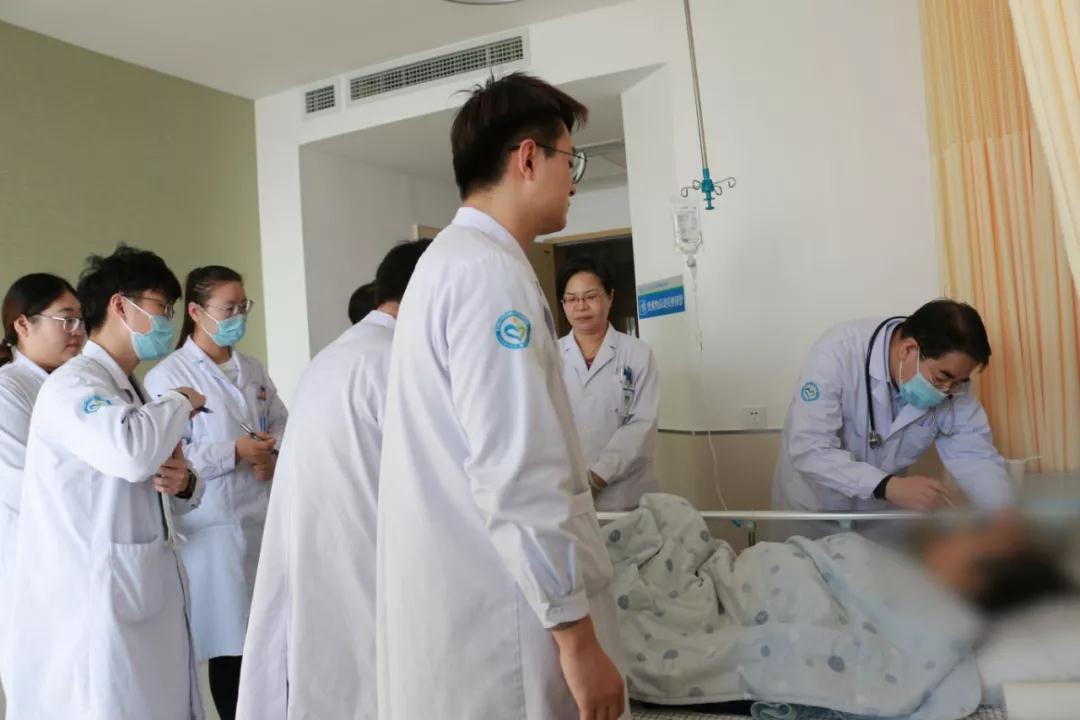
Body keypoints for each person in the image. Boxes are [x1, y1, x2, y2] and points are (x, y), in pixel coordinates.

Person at [377, 73, 628, 720]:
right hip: (508, 621)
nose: (574, 181)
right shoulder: (488, 275)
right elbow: (517, 474)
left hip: (477, 609)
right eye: (571, 160)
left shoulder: (450, 262)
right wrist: (578, 642)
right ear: (528, 158)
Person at [6, 246, 208, 720]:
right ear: (121, 305)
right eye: (162, 307)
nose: (168, 321)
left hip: (138, 597)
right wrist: (180, 400)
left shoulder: (129, 388)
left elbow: (149, 482)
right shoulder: (74, 385)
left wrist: (184, 484)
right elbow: (132, 454)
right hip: (98, 603)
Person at [236, 239, 430, 720]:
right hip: (372, 556)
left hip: (325, 552)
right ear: (426, 290)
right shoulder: (398, 360)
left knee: (333, 682)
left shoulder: (332, 357)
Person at [144, 265, 286, 720]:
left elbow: (282, 423)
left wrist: (273, 453)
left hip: (261, 520)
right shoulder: (168, 377)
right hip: (212, 528)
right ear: (196, 312)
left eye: (244, 306)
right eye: (229, 308)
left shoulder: (252, 369)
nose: (238, 316)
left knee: (273, 642)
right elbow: (169, 456)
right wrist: (234, 452)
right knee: (231, 651)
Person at [771, 299, 1013, 537]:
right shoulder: (838, 353)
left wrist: (1003, 514)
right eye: (941, 378)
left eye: (959, 382)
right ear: (908, 350)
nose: (947, 390)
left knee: (884, 564)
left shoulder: (953, 386)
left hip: (878, 519)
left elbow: (975, 457)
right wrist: (886, 485)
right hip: (815, 511)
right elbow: (810, 449)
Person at [0, 274, 85, 686]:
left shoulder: (78, 384)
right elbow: (26, 485)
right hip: (36, 566)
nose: (77, 331)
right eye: (66, 319)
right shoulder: (8, 389)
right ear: (22, 324)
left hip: (80, 562)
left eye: (81, 320)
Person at [557, 255, 659, 511]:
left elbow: (641, 424)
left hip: (625, 493)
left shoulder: (637, 353)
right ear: (563, 304)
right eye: (572, 299)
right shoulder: (550, 355)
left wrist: (597, 476)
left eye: (590, 296)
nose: (581, 306)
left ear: (610, 297)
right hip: (565, 490)